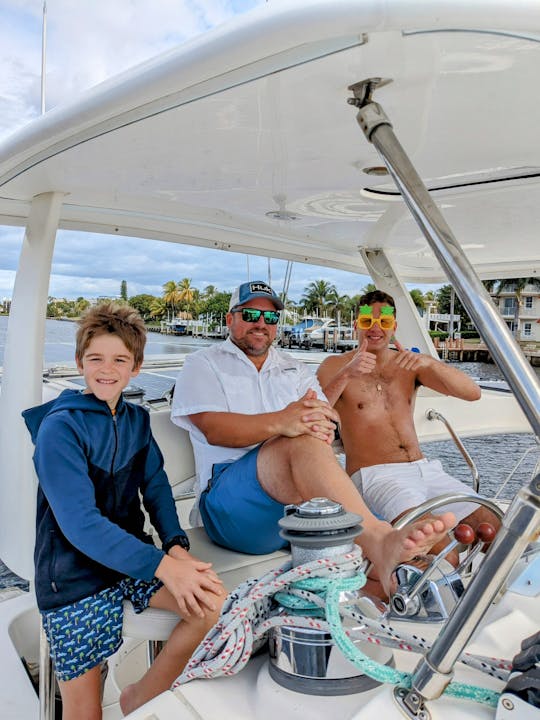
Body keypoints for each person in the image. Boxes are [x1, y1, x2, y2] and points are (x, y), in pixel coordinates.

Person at [171, 281, 455, 599]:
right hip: (230, 505)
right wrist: (286, 421)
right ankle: (378, 537)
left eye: (271, 317)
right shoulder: (204, 364)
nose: (261, 324)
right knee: (300, 441)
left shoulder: (294, 368)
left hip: (296, 509)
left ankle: (379, 630)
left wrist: (313, 422)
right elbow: (214, 428)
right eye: (250, 314)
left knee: (379, 576)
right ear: (230, 319)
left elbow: (327, 418)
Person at [23, 302, 226, 720]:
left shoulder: (137, 419)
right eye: (95, 358)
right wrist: (161, 567)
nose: (106, 368)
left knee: (212, 603)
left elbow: (156, 488)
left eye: (120, 359)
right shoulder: (60, 428)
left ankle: (141, 696)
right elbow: (79, 524)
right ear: (79, 362)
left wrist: (175, 546)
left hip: (132, 562)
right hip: (72, 575)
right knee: (86, 712)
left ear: (136, 367)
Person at [317, 289, 501, 560]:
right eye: (368, 322)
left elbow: (472, 392)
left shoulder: (409, 366)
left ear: (394, 326)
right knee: (442, 554)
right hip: (376, 475)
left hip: (425, 469)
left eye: (385, 322)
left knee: (499, 528)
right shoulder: (336, 365)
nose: (376, 328)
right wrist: (348, 374)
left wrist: (428, 362)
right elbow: (314, 412)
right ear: (357, 324)